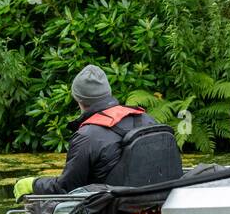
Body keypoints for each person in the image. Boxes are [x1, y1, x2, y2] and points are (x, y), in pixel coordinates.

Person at [13, 64, 160, 198]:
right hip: (155, 207)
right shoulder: (146, 119)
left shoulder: (87, 136)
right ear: (108, 93)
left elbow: (67, 188)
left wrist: (33, 184)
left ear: (78, 99)